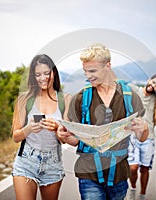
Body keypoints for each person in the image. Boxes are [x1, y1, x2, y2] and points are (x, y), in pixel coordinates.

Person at [57, 43, 149, 200]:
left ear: (108, 66)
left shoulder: (130, 96)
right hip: (89, 173)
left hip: (119, 173)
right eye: (85, 71)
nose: (88, 76)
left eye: (93, 71)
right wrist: (63, 137)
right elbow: (74, 141)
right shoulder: (81, 98)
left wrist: (144, 128)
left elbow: (142, 137)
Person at [11, 54, 71, 200]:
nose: (43, 78)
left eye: (46, 73)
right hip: (26, 161)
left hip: (53, 162)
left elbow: (65, 139)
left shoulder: (66, 99)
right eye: (38, 74)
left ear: (54, 73)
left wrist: (57, 128)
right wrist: (29, 128)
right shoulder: (24, 99)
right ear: (33, 77)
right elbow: (15, 137)